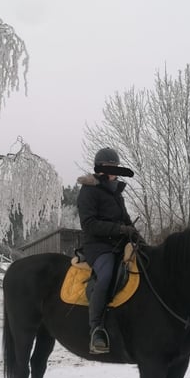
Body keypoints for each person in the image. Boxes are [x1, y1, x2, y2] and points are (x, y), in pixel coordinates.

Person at [76, 148, 139, 354]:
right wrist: (120, 229)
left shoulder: (116, 193)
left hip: (120, 244)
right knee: (107, 275)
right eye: (111, 168)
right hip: (97, 246)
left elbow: (126, 220)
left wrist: (137, 238)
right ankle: (97, 329)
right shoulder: (88, 191)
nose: (115, 172)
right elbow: (89, 224)